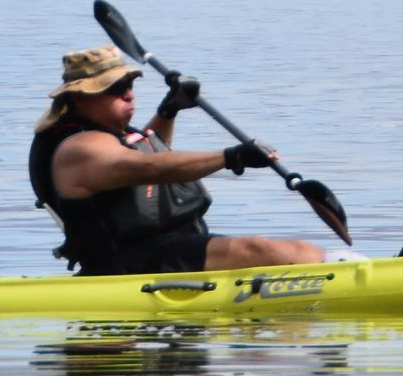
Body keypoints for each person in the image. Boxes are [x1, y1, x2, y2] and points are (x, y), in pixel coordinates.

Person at [28, 45, 327, 278]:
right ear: (80, 98)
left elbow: (150, 152)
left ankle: (337, 267)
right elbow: (147, 168)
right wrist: (230, 157)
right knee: (262, 250)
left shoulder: (106, 135)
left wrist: (169, 110)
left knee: (296, 250)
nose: (129, 95)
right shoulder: (80, 148)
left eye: (130, 84)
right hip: (129, 263)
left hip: (163, 249)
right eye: (116, 89)